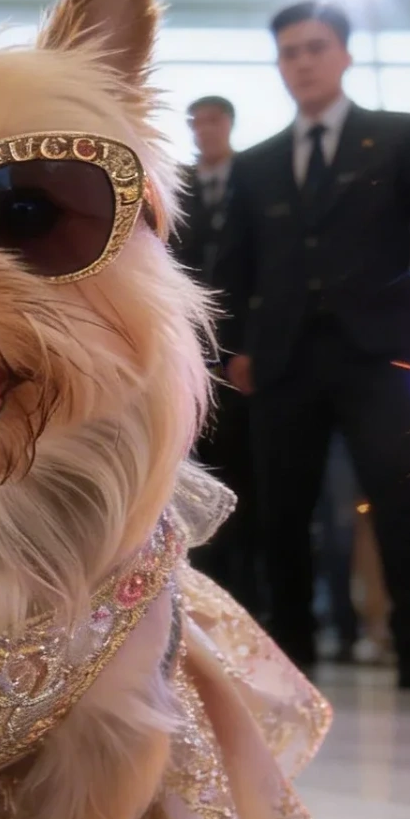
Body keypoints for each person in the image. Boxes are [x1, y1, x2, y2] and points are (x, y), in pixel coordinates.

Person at [220, 1, 410, 692]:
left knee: (402, 498)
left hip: (378, 355)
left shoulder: (397, 138)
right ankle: (289, 653)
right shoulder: (256, 165)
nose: (303, 62)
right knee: (282, 512)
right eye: (291, 51)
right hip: (283, 361)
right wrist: (232, 347)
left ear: (344, 55)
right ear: (279, 64)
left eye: (316, 47)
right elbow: (233, 266)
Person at [171, 95, 260, 618]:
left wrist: (248, 344)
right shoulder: (178, 186)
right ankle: (199, 592)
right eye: (196, 122)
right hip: (188, 356)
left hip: (243, 355)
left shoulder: (255, 177)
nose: (204, 129)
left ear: (229, 122)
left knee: (244, 478)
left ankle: (247, 598)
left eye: (212, 120)